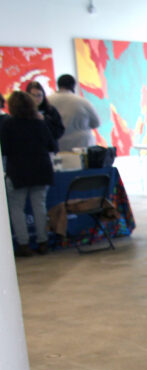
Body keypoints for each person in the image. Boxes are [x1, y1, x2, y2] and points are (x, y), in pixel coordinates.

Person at [2, 90, 57, 256]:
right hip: (41, 168)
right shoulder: (39, 123)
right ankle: (43, 242)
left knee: (17, 208)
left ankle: (24, 244)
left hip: (18, 171)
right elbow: (52, 146)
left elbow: (4, 149)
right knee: (39, 207)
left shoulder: (7, 124)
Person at [48, 74, 101, 151]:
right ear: (73, 86)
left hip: (58, 145)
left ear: (58, 85)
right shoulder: (82, 101)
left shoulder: (48, 101)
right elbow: (96, 123)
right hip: (81, 145)